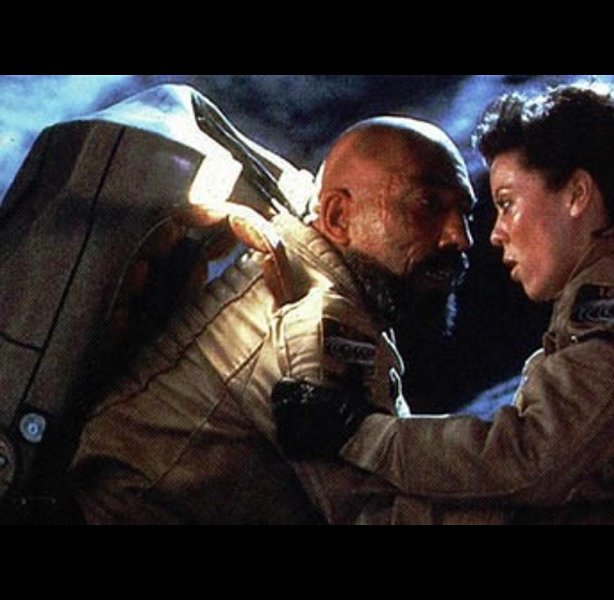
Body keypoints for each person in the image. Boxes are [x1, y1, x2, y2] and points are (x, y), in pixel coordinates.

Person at [274, 82, 614, 524]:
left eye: (507, 203)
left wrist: (358, 433)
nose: (493, 234)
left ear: (577, 194)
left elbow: (533, 458)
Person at [67, 115, 479, 524]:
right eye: (428, 204)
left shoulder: (310, 276)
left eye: (466, 213)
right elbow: (376, 515)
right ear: (338, 216)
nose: (460, 237)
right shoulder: (316, 324)